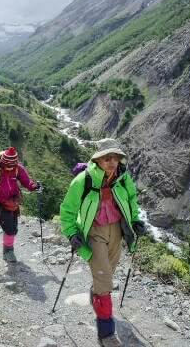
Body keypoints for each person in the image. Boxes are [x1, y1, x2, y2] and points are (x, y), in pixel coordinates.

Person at [60, 140, 146, 346]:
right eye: (107, 158)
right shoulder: (83, 180)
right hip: (94, 232)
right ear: (97, 159)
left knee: (107, 273)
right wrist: (72, 233)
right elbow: (67, 211)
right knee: (105, 281)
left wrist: (135, 220)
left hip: (117, 230)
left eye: (115, 158)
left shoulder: (123, 179)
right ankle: (106, 333)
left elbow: (131, 200)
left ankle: (96, 294)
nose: (112, 162)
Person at [0, 147, 41, 263]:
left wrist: (34, 187)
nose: (10, 168)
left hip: (12, 203)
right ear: (3, 162)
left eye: (13, 166)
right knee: (9, 229)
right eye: (8, 165)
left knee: (14, 229)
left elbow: (27, 182)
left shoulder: (18, 168)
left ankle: (7, 250)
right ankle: (8, 252)